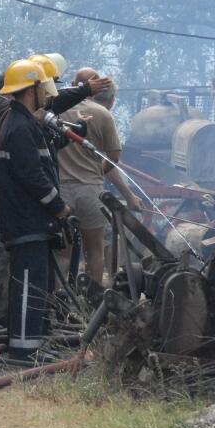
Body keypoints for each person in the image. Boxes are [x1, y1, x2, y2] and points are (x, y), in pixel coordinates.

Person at [0, 55, 108, 331]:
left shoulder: (2, 112)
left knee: (4, 254)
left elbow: (45, 139)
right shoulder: (10, 116)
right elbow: (30, 167)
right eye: (42, 88)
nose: (46, 96)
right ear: (27, 91)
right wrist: (85, 91)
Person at [0, 59, 70, 361]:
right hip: (26, 221)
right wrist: (59, 207)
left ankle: (34, 343)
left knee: (36, 282)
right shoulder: (20, 127)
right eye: (42, 88)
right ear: (32, 90)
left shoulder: (23, 123)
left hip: (32, 221)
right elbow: (33, 177)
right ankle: (24, 351)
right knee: (28, 283)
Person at [57, 70, 143, 286]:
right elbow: (113, 158)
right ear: (96, 87)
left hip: (60, 191)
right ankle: (91, 303)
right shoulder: (102, 114)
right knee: (94, 251)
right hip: (90, 191)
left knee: (62, 254)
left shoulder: (56, 110)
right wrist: (95, 172)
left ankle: (57, 303)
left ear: (73, 84)